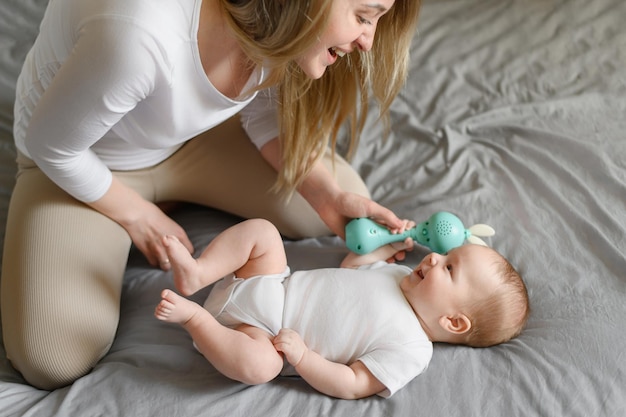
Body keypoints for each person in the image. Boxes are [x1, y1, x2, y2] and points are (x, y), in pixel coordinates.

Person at [1, 0, 422, 389]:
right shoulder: (137, 34)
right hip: (81, 157)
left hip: (188, 140)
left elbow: (256, 110)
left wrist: (326, 196)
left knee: (345, 202)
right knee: (52, 356)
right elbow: (51, 146)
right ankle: (145, 205)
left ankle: (174, 194)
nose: (368, 42)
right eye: (364, 16)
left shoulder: (270, 19)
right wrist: (140, 216)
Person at [154, 218, 530, 399]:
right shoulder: (400, 275)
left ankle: (196, 319)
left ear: (453, 321)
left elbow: (353, 384)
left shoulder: (413, 350)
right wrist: (384, 249)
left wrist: (302, 358)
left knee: (261, 367)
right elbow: (350, 270)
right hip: (270, 282)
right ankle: (197, 273)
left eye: (449, 267)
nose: (433, 256)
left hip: (260, 336)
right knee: (264, 233)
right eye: (445, 253)